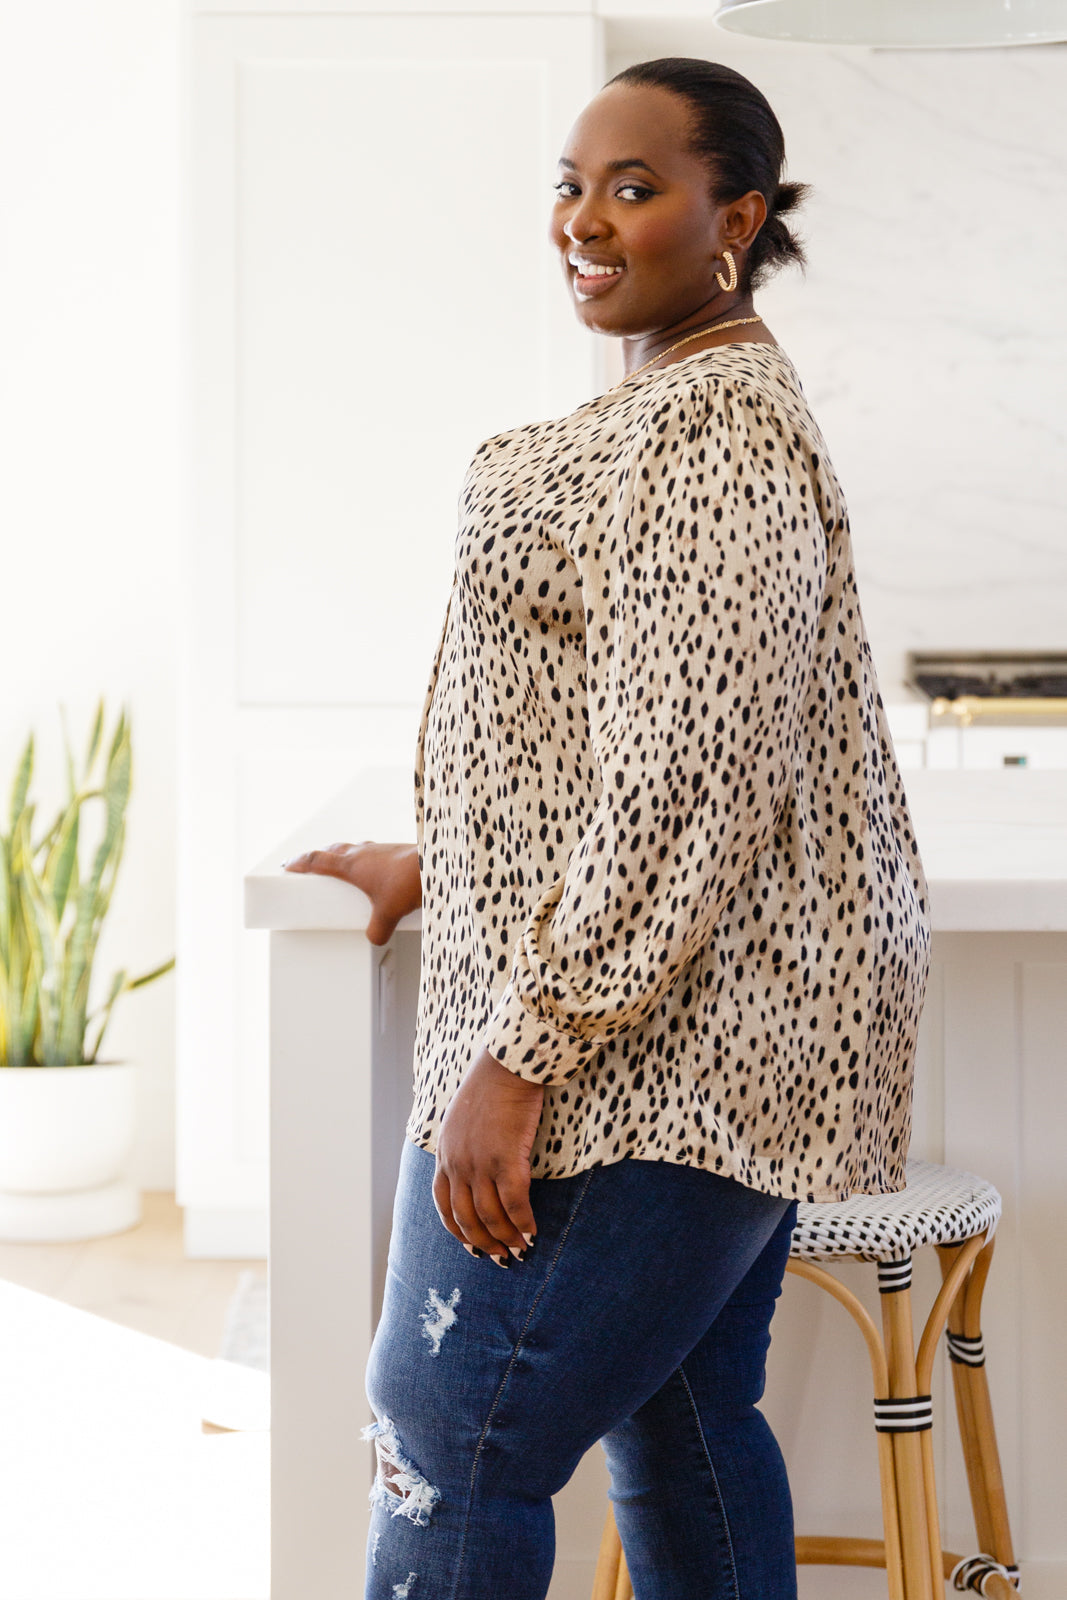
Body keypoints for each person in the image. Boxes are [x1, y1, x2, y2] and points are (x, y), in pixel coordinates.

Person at [283, 56, 931, 1600]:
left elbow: (687, 785)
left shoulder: (710, 434)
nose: (584, 219)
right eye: (570, 186)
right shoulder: (681, 408)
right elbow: (627, 740)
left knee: (450, 1444)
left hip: (647, 1060)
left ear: (736, 218)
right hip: (681, 1041)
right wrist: (442, 861)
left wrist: (522, 1058)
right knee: (686, 1420)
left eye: (634, 189)